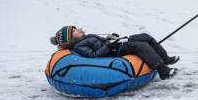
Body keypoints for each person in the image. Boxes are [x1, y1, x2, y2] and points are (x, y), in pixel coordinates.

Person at [50, 26, 179, 80]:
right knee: (141, 46)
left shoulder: (87, 37)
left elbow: (102, 42)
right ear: (71, 38)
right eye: (74, 31)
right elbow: (95, 55)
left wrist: (110, 38)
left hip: (115, 44)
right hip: (113, 52)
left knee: (145, 36)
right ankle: (164, 72)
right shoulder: (79, 46)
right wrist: (109, 43)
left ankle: (165, 58)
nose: (78, 29)